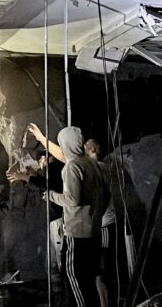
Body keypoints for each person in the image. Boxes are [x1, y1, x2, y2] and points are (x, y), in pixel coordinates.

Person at [44, 127, 110, 307]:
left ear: (65, 144)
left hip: (77, 234)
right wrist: (94, 216)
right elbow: (106, 194)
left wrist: (51, 195)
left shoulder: (72, 167)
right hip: (94, 231)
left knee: (75, 279)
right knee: (90, 281)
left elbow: (73, 199)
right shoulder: (91, 163)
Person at [85, 139, 117, 307]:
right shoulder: (101, 167)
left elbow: (103, 197)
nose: (83, 147)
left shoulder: (99, 168)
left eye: (86, 145)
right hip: (103, 224)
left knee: (101, 272)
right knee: (99, 271)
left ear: (92, 149)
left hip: (104, 225)